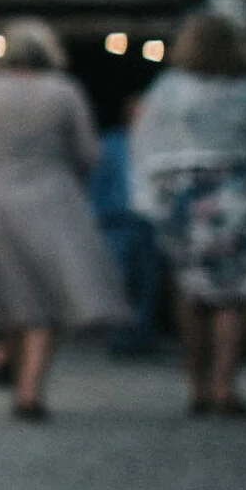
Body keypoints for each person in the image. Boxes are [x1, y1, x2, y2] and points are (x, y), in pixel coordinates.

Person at [0, 18, 127, 419]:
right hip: (52, 194)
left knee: (11, 290)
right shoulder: (64, 92)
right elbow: (89, 153)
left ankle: (18, 379)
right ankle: (30, 389)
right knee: (47, 295)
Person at [131, 12, 246, 417]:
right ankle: (225, 384)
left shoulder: (169, 89)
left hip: (183, 196)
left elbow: (146, 143)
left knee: (193, 293)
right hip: (238, 193)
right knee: (232, 297)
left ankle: (198, 384)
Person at [90, 97, 160, 356]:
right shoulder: (111, 143)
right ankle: (118, 336)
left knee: (147, 281)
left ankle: (141, 336)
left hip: (148, 221)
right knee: (118, 279)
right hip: (117, 220)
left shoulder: (157, 144)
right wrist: (96, 216)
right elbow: (97, 183)